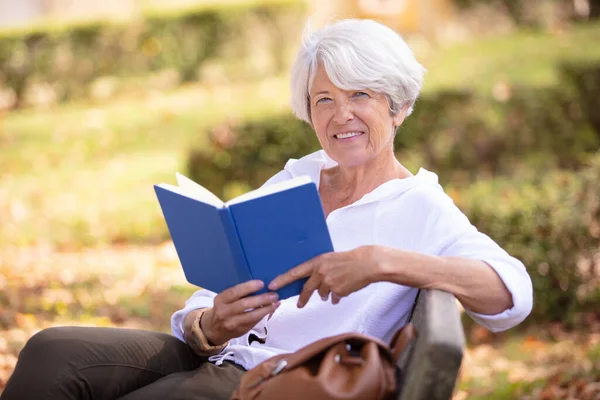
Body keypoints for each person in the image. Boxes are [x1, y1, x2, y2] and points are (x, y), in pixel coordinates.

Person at [1, 18, 533, 400]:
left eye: (361, 96)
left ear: (399, 107)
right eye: (324, 99)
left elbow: (514, 295)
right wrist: (210, 322)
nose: (341, 114)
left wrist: (383, 262)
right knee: (51, 350)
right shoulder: (298, 175)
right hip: (218, 353)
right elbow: (216, 285)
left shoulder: (420, 206)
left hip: (278, 382)